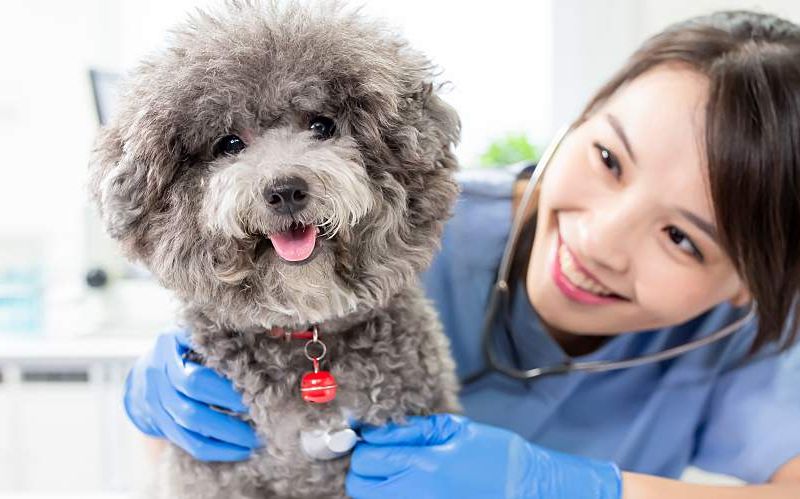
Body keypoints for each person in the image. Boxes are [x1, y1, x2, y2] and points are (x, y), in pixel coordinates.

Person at [122, 10, 800, 498]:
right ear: (582, 115)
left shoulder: (747, 333)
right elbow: (199, 456)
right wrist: (165, 409)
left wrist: (582, 489)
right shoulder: (391, 225)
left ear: (750, 282)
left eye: (681, 237)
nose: (600, 241)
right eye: (607, 157)